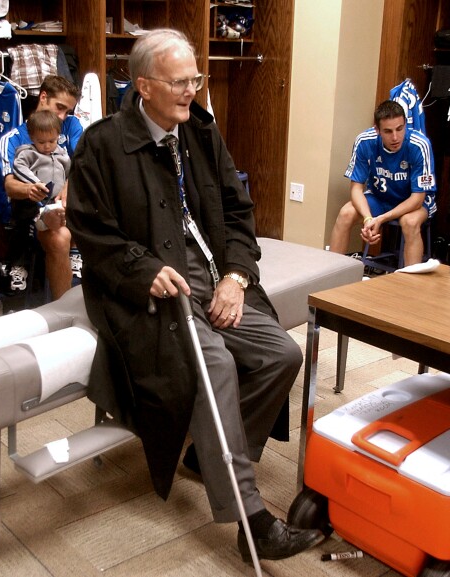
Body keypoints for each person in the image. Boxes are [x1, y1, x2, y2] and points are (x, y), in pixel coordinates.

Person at [67, 29, 324, 562]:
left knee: (282, 354)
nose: (192, 90)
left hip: (212, 278)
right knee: (216, 367)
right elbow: (91, 232)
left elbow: (237, 212)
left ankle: (211, 461)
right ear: (143, 85)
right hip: (148, 292)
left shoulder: (201, 133)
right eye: (180, 82)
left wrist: (237, 276)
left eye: (195, 80)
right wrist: (144, 272)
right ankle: (250, 519)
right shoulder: (103, 143)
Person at [0, 75, 81, 300]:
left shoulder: (71, 125)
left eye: (68, 111)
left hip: (68, 205)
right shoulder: (14, 137)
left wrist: (68, 185)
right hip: (33, 212)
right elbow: (9, 184)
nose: (63, 116)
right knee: (60, 237)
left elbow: (85, 162)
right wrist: (29, 189)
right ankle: (64, 311)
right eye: (60, 108)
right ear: (43, 97)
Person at [328, 100, 437, 266]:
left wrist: (380, 219)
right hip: (380, 197)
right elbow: (356, 188)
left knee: (410, 222)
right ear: (377, 130)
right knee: (346, 213)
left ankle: (412, 286)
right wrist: (367, 219)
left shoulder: (419, 145)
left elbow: (417, 199)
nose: (395, 137)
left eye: (400, 129)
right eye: (388, 131)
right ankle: (330, 277)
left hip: (413, 202)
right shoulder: (365, 141)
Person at [11, 109, 70, 233]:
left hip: (57, 201)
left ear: (58, 135)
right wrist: (35, 182)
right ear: (32, 137)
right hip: (36, 202)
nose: (47, 146)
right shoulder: (28, 153)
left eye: (52, 141)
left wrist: (67, 185)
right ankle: (43, 222)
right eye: (41, 142)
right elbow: (18, 166)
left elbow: (70, 173)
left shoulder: (63, 155)